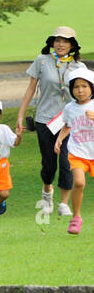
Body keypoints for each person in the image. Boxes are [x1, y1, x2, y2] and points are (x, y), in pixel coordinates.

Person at [17, 26, 83, 218]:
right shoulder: (42, 61)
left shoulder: (79, 67)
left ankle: (63, 203)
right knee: (49, 165)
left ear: (72, 45)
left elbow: (87, 94)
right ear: (52, 43)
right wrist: (21, 114)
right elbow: (30, 89)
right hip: (45, 120)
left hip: (70, 121)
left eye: (65, 41)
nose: (61, 44)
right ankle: (47, 191)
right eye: (57, 40)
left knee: (67, 162)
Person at [50, 66, 94, 235]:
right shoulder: (69, 108)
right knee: (79, 183)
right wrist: (59, 140)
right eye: (76, 87)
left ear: (91, 87)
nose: (80, 90)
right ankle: (76, 217)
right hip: (77, 151)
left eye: (84, 86)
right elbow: (68, 125)